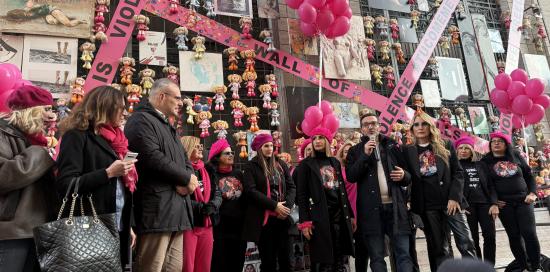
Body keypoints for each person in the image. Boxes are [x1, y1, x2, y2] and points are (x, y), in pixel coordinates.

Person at [56, 86, 138, 270]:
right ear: (105, 107)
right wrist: (108, 173)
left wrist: (128, 224)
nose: (125, 113)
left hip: (117, 225)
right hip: (88, 226)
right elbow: (66, 184)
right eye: (120, 107)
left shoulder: (119, 141)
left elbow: (120, 192)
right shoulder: (76, 136)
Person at [125, 78, 199, 272]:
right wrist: (184, 179)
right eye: (177, 98)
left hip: (177, 212)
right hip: (156, 212)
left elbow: (184, 159)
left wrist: (189, 179)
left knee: (173, 268)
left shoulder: (168, 125)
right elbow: (151, 156)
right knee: (151, 267)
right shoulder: (140, 120)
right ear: (161, 96)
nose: (181, 102)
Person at [402, 110, 476, 271]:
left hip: (451, 202)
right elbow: (407, 178)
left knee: (465, 241)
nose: (420, 127)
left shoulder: (445, 144)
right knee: (440, 247)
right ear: (412, 128)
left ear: (431, 126)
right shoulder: (407, 151)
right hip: (427, 205)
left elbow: (458, 172)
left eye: (424, 124)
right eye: (416, 124)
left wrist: (455, 197)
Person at [345, 112, 413, 272]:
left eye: (374, 123)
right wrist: (365, 155)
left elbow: (409, 175)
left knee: (403, 253)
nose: (371, 126)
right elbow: (351, 176)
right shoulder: (355, 151)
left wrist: (404, 175)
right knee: (376, 257)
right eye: (366, 124)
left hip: (396, 208)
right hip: (371, 212)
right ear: (362, 129)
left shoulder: (392, 145)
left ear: (379, 126)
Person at [0, 85, 57, 271]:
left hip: (39, 229)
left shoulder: (37, 139)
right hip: (12, 232)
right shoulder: (3, 133)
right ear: (31, 111)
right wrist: (42, 154)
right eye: (46, 109)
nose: (51, 116)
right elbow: (3, 176)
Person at [296, 128, 355, 271]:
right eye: (314, 138)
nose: (317, 141)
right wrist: (305, 222)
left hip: (339, 216)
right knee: (323, 260)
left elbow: (342, 191)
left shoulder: (334, 162)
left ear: (327, 141)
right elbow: (301, 195)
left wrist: (351, 215)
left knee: (339, 257)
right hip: (319, 217)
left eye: (320, 138)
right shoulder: (306, 165)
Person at [482, 132, 542, 272]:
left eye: (500, 141)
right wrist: (494, 201)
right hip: (505, 205)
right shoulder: (486, 161)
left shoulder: (515, 155)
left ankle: (536, 266)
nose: (496, 143)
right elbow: (487, 184)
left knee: (529, 233)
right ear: (490, 145)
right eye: (493, 141)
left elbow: (529, 175)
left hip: (524, 201)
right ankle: (523, 267)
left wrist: (533, 193)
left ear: (506, 144)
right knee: (514, 236)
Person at [242, 133, 296, 272]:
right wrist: (274, 206)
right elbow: (251, 191)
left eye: (271, 145)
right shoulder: (251, 166)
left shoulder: (281, 163)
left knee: (287, 261)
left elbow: (291, 187)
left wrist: (286, 207)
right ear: (259, 148)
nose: (270, 148)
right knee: (269, 262)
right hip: (265, 221)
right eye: (266, 146)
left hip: (283, 218)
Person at [180, 136, 222, 272]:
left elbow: (217, 193)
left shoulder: (208, 169)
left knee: (204, 266)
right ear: (187, 148)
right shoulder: (181, 171)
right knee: (187, 267)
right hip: (188, 224)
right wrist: (199, 207)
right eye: (196, 146)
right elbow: (179, 197)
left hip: (206, 223)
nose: (200, 148)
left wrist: (213, 205)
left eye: (200, 146)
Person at [206, 138, 248, 272]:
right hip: (220, 228)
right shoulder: (211, 175)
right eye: (227, 153)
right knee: (219, 264)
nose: (231, 155)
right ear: (217, 157)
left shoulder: (238, 174)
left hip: (239, 227)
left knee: (237, 263)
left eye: (231, 153)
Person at [455, 136, 496, 265]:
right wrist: (460, 204)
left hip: (485, 205)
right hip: (467, 207)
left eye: (467, 148)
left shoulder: (481, 164)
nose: (463, 151)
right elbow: (453, 187)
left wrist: (494, 203)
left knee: (490, 236)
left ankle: (489, 266)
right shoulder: (454, 166)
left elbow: (491, 185)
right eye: (460, 148)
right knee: (472, 239)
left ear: (472, 150)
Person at [337, 140, 370, 272]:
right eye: (346, 151)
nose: (349, 154)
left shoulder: (364, 168)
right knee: (345, 249)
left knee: (362, 250)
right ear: (342, 154)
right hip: (346, 213)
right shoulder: (339, 170)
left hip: (362, 213)